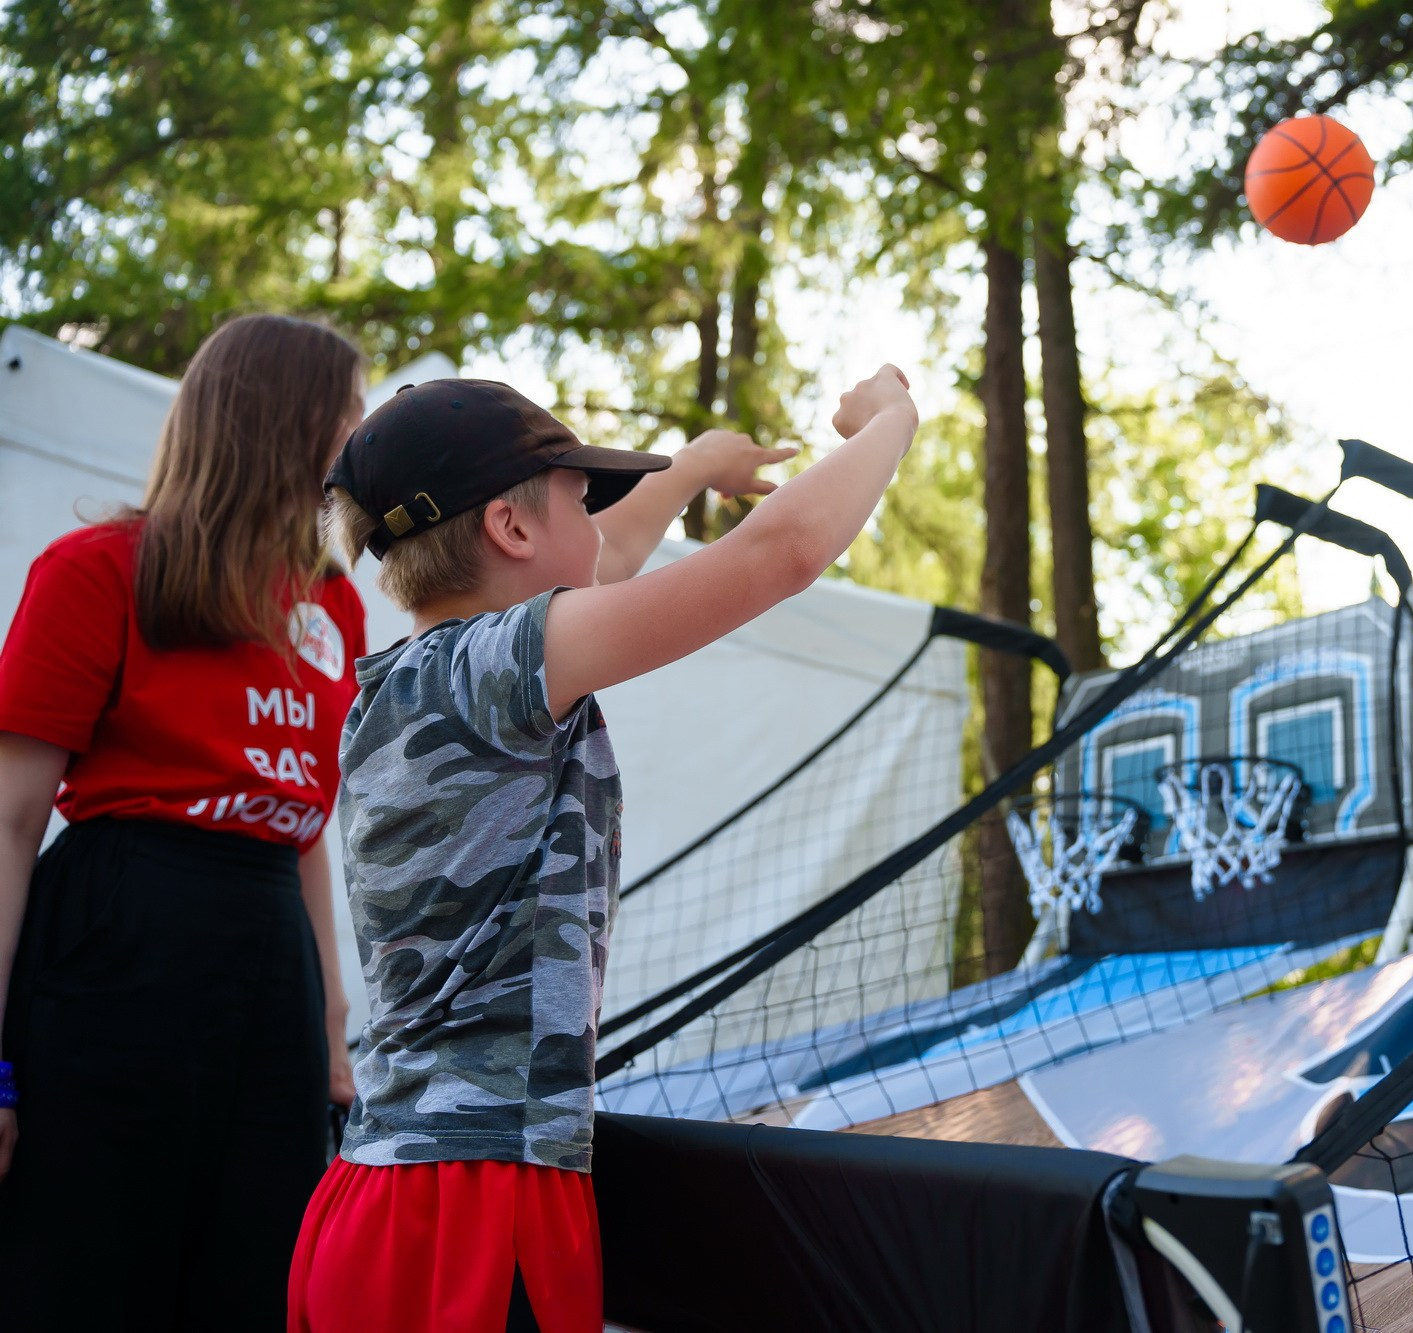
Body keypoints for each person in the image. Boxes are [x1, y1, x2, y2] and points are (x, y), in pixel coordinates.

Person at [288, 366, 912, 1332]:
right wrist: (891, 419)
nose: (604, 528)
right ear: (511, 529)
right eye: (582, 499)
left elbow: (605, 558)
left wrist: (694, 468)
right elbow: (781, 552)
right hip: (478, 1208)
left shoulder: (411, 682)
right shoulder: (500, 666)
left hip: (380, 1190)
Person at [0, 314, 370, 1329]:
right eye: (348, 414)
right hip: (123, 927)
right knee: (89, 1251)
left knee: (260, 1260)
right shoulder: (98, 569)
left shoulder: (336, 610)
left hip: (267, 951)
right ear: (283, 420)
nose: (361, 438)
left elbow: (301, 831)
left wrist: (332, 1020)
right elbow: (9, 821)